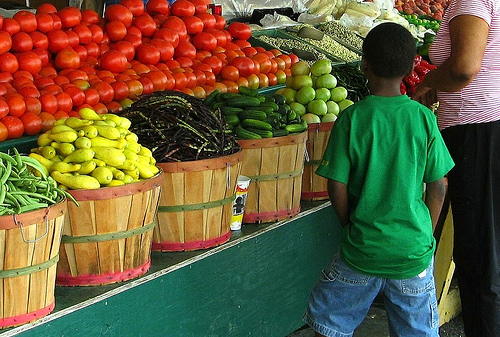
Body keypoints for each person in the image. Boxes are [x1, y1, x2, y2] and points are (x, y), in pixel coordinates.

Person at [303, 22, 455, 337]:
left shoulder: (351, 118)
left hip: (363, 249)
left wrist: (348, 226)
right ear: (413, 66)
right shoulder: (423, 118)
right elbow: (439, 186)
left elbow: (336, 184)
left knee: (328, 324)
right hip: (413, 251)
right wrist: (426, 232)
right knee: (417, 331)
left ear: (364, 64)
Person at [413, 0, 500, 335]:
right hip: (488, 128)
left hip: (477, 132)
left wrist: (430, 81)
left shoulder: (473, 1)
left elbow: (464, 68)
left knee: (479, 254)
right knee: (486, 247)